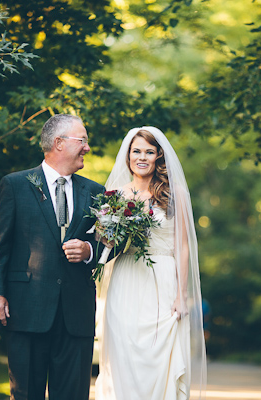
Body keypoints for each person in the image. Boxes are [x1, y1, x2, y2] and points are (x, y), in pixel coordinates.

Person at [0, 114, 105, 400]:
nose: (87, 147)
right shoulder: (15, 185)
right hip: (27, 310)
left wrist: (89, 251)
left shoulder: (96, 192)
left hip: (76, 314)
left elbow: (109, 245)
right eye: (82, 140)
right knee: (26, 394)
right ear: (59, 143)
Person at [95, 127, 207, 399]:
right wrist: (108, 232)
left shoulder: (174, 193)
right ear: (128, 156)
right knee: (124, 352)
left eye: (149, 151)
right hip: (126, 279)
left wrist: (182, 295)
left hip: (162, 279)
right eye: (136, 151)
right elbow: (106, 243)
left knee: (157, 358)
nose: (142, 157)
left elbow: (182, 246)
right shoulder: (116, 196)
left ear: (158, 156)